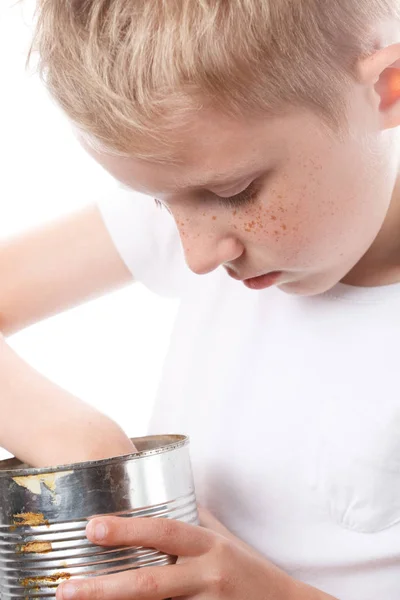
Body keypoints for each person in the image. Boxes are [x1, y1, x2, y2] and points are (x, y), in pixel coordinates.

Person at [1, 0, 400, 598]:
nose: (196, 255)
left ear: (388, 89)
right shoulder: (199, 188)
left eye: (236, 192)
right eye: (159, 202)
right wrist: (87, 447)